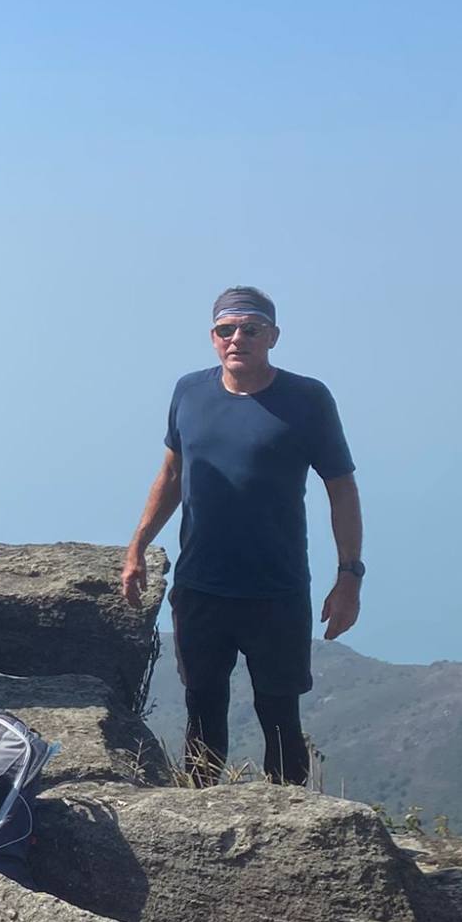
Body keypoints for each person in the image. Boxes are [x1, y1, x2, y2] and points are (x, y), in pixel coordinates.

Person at [120, 287, 363, 786]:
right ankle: (200, 819)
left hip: (276, 590)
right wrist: (137, 547)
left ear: (272, 336)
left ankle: (295, 828)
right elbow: (170, 474)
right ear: (212, 338)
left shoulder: (307, 399)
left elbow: (341, 489)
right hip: (201, 587)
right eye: (225, 330)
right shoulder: (189, 392)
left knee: (280, 718)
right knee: (202, 711)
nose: (237, 339)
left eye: (250, 329)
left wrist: (349, 577)